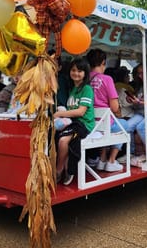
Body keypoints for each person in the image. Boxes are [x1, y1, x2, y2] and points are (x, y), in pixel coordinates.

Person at [53, 58, 95, 186]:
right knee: (55, 136)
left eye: (79, 71)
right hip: (73, 123)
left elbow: (81, 112)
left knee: (63, 140)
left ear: (85, 73)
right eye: (73, 70)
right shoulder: (72, 89)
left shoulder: (87, 89)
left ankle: (59, 170)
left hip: (84, 124)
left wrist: (59, 114)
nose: (76, 73)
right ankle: (65, 168)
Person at [86, 48, 127, 172]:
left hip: (89, 122)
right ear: (103, 62)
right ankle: (112, 160)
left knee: (107, 127)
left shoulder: (85, 79)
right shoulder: (107, 79)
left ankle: (102, 159)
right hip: (104, 124)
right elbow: (114, 107)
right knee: (125, 125)